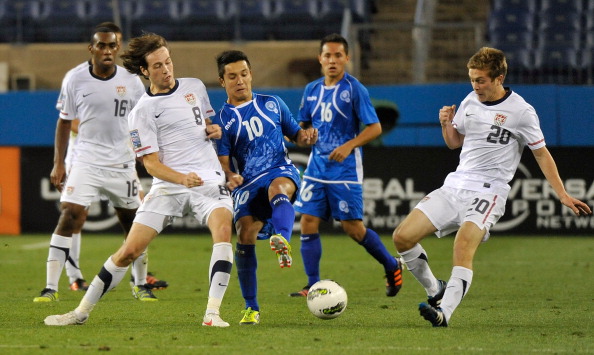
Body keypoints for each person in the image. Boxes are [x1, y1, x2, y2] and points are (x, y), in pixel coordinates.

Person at [393, 47, 592, 327]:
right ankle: (435, 290)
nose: (475, 86)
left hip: (490, 191)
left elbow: (541, 153)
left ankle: (444, 313)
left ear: (499, 78)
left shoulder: (521, 111)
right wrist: (446, 123)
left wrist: (562, 193)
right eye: (472, 80)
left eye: (481, 81)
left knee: (463, 244)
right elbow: (454, 142)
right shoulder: (470, 101)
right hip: (455, 185)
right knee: (402, 237)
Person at [44, 33, 234, 327]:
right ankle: (79, 313)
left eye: (168, 61)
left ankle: (212, 313)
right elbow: (152, 165)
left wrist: (215, 131)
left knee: (223, 230)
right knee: (128, 251)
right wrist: (182, 179)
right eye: (157, 66)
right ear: (144, 71)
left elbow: (208, 126)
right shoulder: (142, 112)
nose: (166, 70)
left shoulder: (195, 87)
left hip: (208, 181)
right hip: (170, 185)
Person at [33, 24, 165, 303]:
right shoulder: (75, 78)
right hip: (86, 161)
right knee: (69, 214)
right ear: (91, 48)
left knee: (135, 224)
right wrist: (59, 164)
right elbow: (64, 121)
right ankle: (50, 288)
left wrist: (148, 154)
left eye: (112, 46)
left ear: (118, 49)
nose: (107, 51)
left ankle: (140, 284)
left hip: (121, 163)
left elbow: (146, 118)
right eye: (102, 45)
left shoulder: (131, 80)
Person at [291, 33, 402, 298]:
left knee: (352, 228)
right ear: (320, 58)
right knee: (308, 221)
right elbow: (303, 127)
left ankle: (391, 265)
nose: (332, 60)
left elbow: (375, 127)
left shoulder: (354, 89)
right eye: (327, 55)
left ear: (347, 59)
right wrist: (303, 136)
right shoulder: (311, 90)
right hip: (317, 166)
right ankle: (312, 284)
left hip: (345, 170)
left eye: (338, 55)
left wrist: (349, 144)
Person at [213, 50, 317, 325]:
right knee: (244, 233)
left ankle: (282, 238)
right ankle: (252, 308)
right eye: (232, 76)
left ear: (251, 74)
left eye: (244, 74)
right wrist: (229, 175)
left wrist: (306, 137)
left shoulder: (273, 103)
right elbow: (223, 163)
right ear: (222, 81)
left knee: (278, 191)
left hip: (279, 169)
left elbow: (297, 135)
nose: (240, 81)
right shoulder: (222, 121)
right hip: (248, 181)